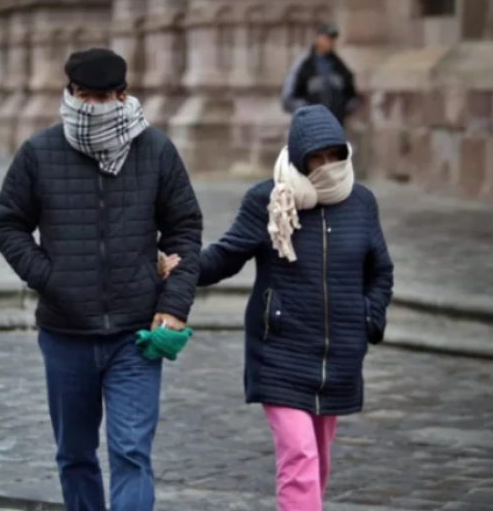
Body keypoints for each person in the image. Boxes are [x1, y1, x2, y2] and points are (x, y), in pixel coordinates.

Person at [0, 48, 203, 511]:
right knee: (75, 455)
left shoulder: (156, 150)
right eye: (84, 96)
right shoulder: (39, 152)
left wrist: (174, 304)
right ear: (69, 94)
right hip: (66, 333)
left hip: (136, 332)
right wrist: (50, 277)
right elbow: (7, 224)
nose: (94, 107)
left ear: (122, 95)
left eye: (104, 97)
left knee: (131, 452)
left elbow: (185, 229)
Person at [159, 105, 394, 511]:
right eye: (315, 158)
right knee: (299, 456)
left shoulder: (360, 203)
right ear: (300, 157)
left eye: (333, 156)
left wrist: (368, 319)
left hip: (338, 355)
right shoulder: (268, 200)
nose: (325, 166)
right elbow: (228, 255)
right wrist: (183, 267)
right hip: (280, 350)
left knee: (317, 461)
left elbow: (381, 271)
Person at [280, 22, 359, 126]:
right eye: (326, 38)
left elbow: (351, 95)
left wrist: (342, 111)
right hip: (310, 128)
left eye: (332, 39)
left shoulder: (339, 66)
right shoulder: (303, 63)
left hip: (334, 128)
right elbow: (288, 98)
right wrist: (308, 113)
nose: (330, 42)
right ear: (317, 38)